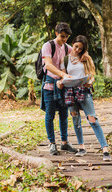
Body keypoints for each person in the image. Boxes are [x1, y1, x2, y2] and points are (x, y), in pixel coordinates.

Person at [57, 35, 111, 160]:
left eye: (80, 49)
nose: (77, 50)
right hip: (70, 91)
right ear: (73, 44)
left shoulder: (86, 58)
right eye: (76, 47)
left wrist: (90, 82)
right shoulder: (65, 59)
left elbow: (91, 75)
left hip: (84, 91)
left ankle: (105, 149)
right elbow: (63, 76)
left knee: (93, 119)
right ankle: (81, 147)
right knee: (76, 121)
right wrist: (61, 82)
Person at [41, 22, 78, 155]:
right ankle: (52, 143)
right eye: (62, 36)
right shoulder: (48, 46)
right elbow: (49, 65)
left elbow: (78, 56)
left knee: (64, 114)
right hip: (49, 85)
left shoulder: (67, 47)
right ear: (56, 33)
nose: (64, 39)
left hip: (62, 85)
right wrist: (62, 74)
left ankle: (64, 142)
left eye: (67, 37)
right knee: (50, 115)